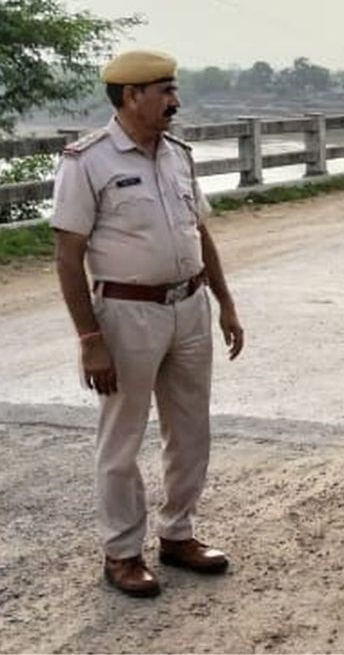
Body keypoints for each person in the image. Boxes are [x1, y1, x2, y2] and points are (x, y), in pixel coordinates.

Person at [50, 50, 245, 598]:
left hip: (188, 307)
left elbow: (199, 234)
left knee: (190, 429)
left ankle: (178, 535)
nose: (175, 102)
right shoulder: (87, 160)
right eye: (165, 91)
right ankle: (122, 552)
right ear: (131, 96)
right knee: (122, 438)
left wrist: (225, 302)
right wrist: (90, 340)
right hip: (125, 314)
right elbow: (68, 256)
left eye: (174, 90)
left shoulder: (177, 155)